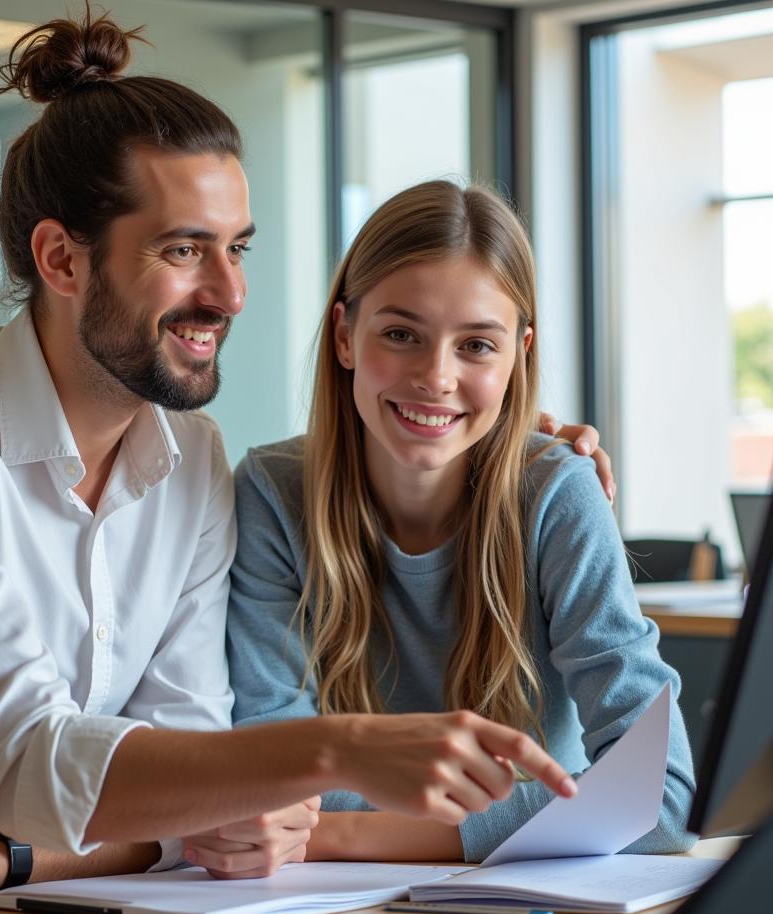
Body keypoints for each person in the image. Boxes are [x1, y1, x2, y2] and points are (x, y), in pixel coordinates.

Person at [0, 9, 599, 905]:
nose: (229, 294)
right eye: (184, 250)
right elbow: (36, 764)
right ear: (61, 260)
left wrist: (1, 856)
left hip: (42, 911)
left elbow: (206, 809)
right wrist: (331, 751)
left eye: (236, 250)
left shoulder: (191, 459)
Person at [229, 180, 695, 866]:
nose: (435, 376)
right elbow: (269, 773)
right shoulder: (272, 494)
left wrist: (338, 833)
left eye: (477, 346)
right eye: (400, 334)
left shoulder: (557, 493)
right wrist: (535, 818)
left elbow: (659, 799)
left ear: (518, 355)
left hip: (537, 902)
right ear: (344, 335)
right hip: (320, 909)